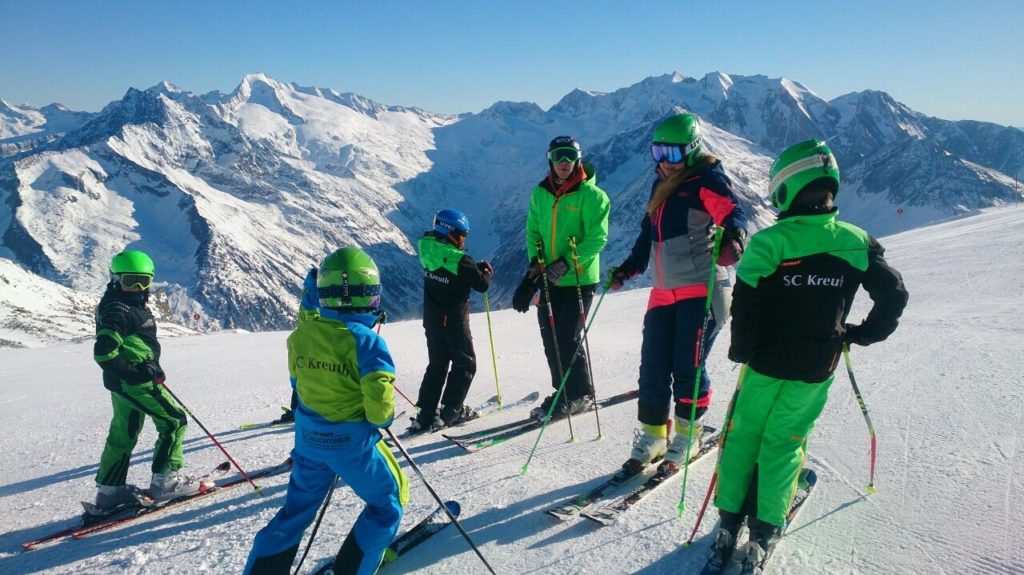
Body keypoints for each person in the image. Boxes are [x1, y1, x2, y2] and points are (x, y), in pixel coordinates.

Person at [707, 139, 908, 570]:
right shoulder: (857, 242)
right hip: (817, 366)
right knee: (784, 442)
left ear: (785, 188)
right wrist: (861, 334)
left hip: (762, 365)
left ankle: (728, 521)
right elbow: (894, 294)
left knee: (743, 435)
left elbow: (746, 308)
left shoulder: (767, 245)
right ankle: (764, 531)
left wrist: (742, 350)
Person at [243, 247, 409, 575]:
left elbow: (297, 380)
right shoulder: (368, 343)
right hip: (353, 446)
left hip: (308, 442)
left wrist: (310, 293)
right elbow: (379, 412)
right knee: (388, 503)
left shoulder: (302, 336)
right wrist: (383, 419)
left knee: (296, 512)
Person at [609, 113, 747, 476]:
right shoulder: (661, 186)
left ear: (692, 149)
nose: (664, 162)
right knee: (653, 367)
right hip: (664, 292)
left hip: (702, 289)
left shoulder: (706, 179)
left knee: (688, 366)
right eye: (657, 152)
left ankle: (689, 434)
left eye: (671, 153)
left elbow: (734, 213)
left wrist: (735, 240)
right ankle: (655, 435)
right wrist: (628, 269)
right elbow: (646, 236)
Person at [92, 249, 202, 512]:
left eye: (144, 281)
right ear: (115, 279)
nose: (137, 288)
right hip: (134, 383)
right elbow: (104, 353)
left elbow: (132, 346)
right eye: (131, 281)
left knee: (124, 432)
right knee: (174, 420)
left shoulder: (118, 303)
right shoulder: (119, 311)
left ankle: (110, 491)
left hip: (121, 382)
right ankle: (166, 482)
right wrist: (139, 373)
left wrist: (151, 366)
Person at [512, 136, 610, 420]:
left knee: (568, 337)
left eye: (569, 156)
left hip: (578, 279)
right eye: (558, 156)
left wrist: (565, 263)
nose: (564, 162)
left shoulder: (593, 196)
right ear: (550, 159)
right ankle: (564, 391)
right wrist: (535, 265)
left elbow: (597, 239)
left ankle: (579, 394)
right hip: (549, 278)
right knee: (550, 336)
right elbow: (533, 231)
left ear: (578, 158)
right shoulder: (540, 193)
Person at [406, 209, 493, 434]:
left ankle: (425, 415)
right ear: (451, 232)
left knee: (437, 365)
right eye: (462, 235)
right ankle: (450, 411)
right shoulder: (461, 260)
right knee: (465, 363)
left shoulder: (427, 249)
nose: (464, 240)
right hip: (454, 320)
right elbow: (481, 285)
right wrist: (485, 272)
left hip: (431, 320)